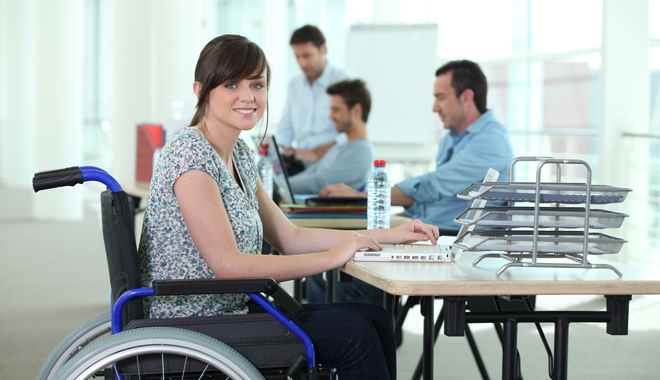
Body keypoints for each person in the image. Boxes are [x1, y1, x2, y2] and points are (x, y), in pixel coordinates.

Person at [137, 34, 440, 380]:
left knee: (376, 319)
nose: (248, 96)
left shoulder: (238, 154)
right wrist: (332, 257)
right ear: (200, 90)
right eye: (231, 84)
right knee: (355, 338)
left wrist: (388, 234)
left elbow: (289, 236)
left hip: (230, 309)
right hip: (192, 323)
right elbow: (228, 266)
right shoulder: (190, 154)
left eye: (257, 84)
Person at [312, 60, 514, 304]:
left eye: (440, 97)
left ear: (466, 97)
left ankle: (368, 338)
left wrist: (364, 196)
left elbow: (432, 185)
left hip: (460, 245)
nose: (434, 107)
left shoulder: (491, 141)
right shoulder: (453, 138)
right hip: (435, 235)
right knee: (331, 262)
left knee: (342, 279)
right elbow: (437, 197)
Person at [276, 25, 353, 173]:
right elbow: (284, 131)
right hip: (301, 166)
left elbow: (352, 133)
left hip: (332, 165)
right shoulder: (294, 84)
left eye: (307, 55)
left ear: (323, 49)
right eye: (297, 56)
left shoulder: (344, 81)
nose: (302, 63)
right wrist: (281, 153)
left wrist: (316, 153)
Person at [288, 79, 374, 194]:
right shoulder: (339, 148)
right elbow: (309, 175)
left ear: (356, 110)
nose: (330, 116)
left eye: (336, 110)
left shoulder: (361, 150)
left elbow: (318, 183)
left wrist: (276, 187)